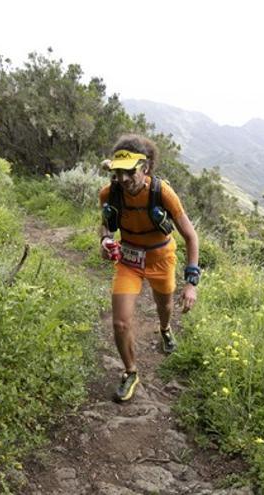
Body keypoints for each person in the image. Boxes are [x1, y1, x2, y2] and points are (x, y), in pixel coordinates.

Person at [98, 134, 201, 402]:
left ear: (145, 168)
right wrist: (105, 240)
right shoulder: (109, 194)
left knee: (164, 306)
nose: (123, 179)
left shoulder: (162, 193)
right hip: (129, 262)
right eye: (118, 173)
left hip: (161, 260)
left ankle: (165, 330)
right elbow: (107, 224)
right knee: (120, 322)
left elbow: (191, 236)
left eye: (129, 172)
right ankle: (130, 371)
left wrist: (191, 283)